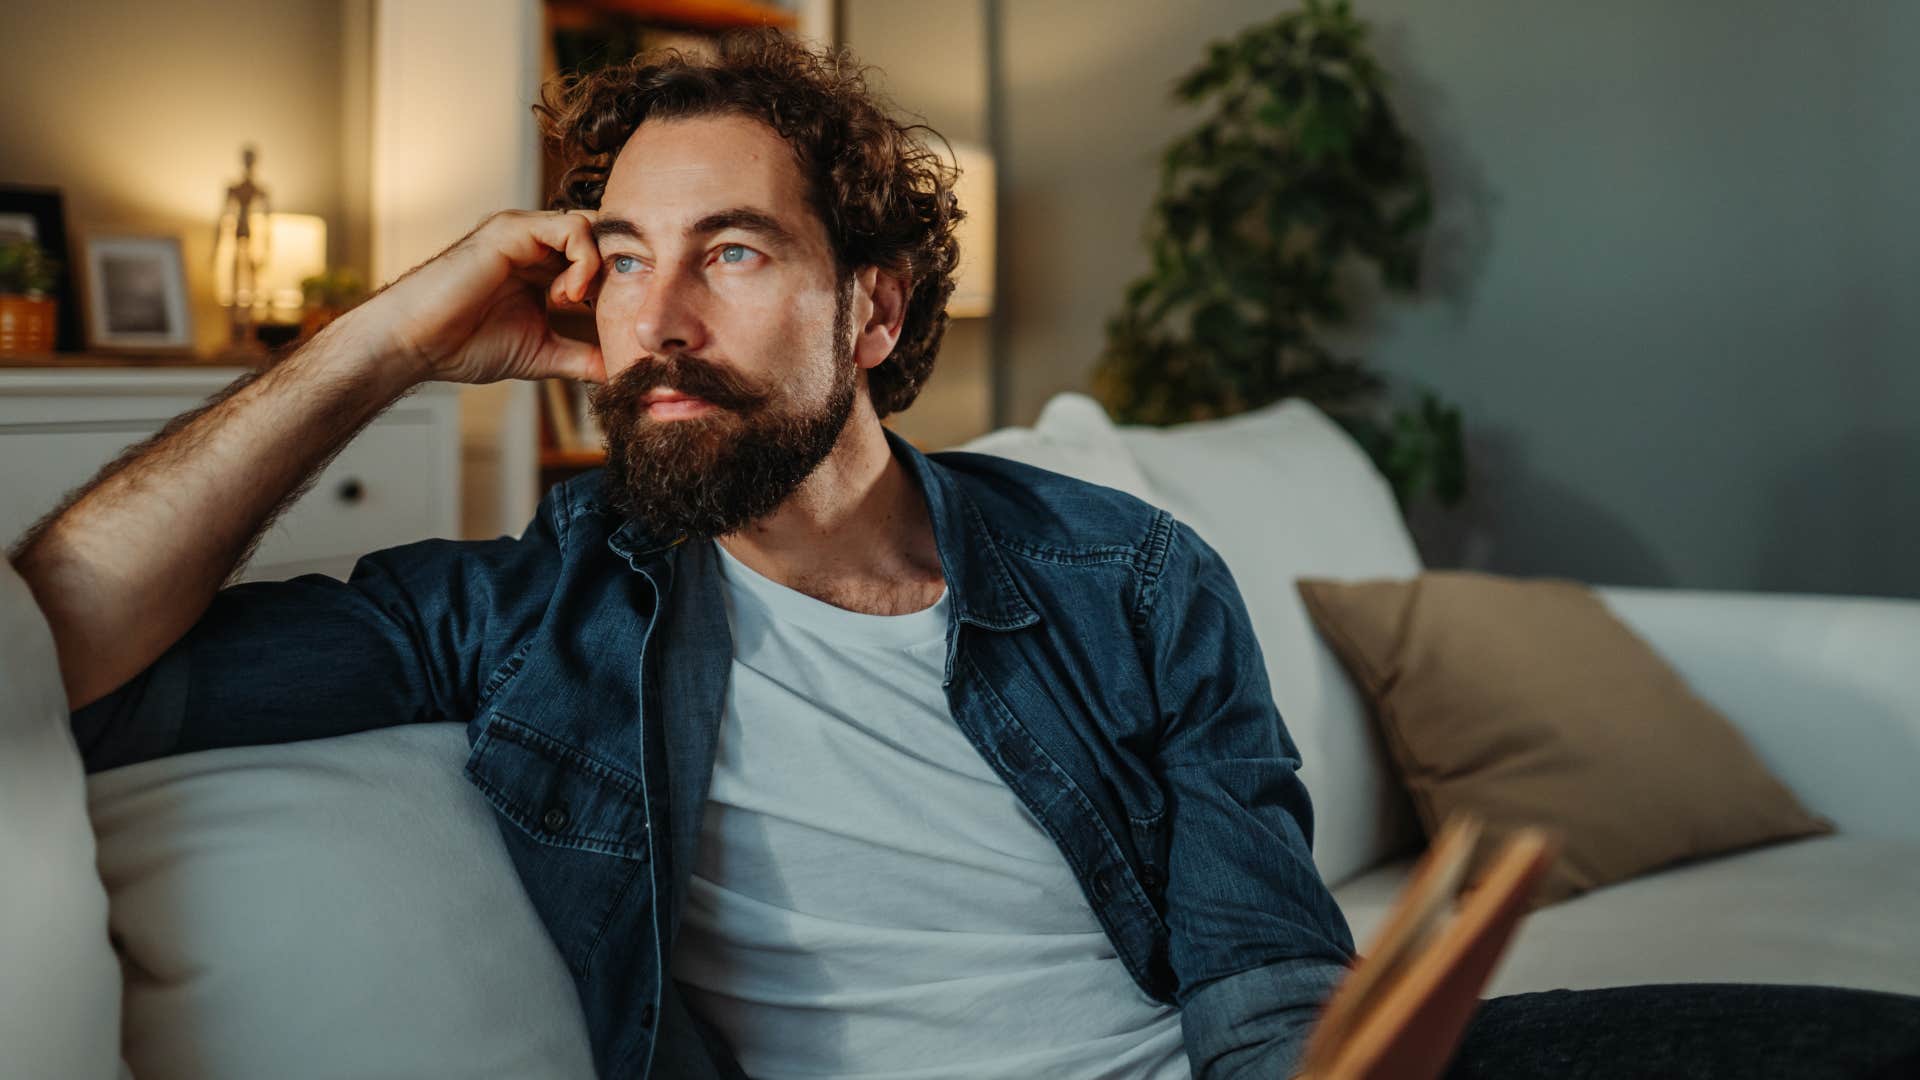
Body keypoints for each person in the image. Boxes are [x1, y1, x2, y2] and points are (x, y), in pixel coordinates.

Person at [12, 30, 1919, 1080]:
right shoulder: (532, 613)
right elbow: (68, 633)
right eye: (622, 259)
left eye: (732, 252)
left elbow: (1265, 983)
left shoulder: (1126, 577)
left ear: (872, 308)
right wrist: (386, 338)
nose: (655, 317)